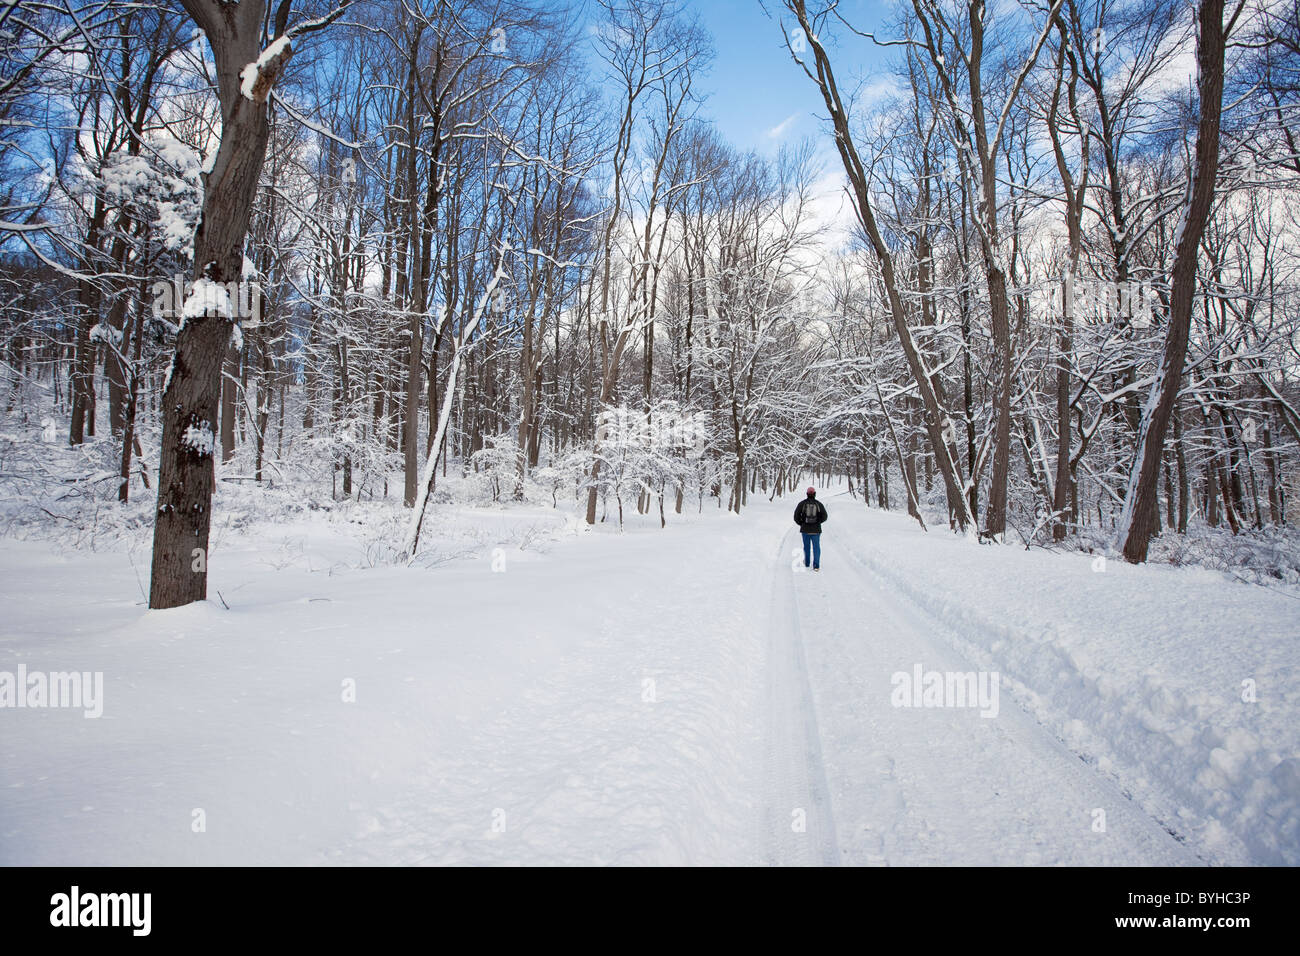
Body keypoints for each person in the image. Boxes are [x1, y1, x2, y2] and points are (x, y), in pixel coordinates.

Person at [794, 486, 828, 571]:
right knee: (816, 547)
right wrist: (818, 522)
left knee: (806, 547)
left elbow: (796, 516)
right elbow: (825, 516)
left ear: (807, 494)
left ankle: (807, 562)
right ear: (814, 494)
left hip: (805, 530)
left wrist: (801, 524)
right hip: (816, 530)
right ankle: (816, 566)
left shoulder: (802, 504)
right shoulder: (819, 504)